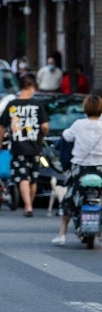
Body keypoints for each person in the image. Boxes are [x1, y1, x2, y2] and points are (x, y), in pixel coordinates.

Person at [52, 94, 102, 245]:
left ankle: (62, 234)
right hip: (100, 168)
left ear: (85, 108)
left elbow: (66, 137)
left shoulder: (78, 124)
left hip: (80, 168)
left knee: (70, 197)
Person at [0, 74, 50, 216]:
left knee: (22, 177)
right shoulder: (37, 105)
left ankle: (28, 206)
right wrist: (42, 135)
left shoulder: (12, 105)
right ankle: (30, 204)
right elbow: (45, 126)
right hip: (35, 146)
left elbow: (2, 126)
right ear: (32, 87)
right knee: (33, 177)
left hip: (18, 147)